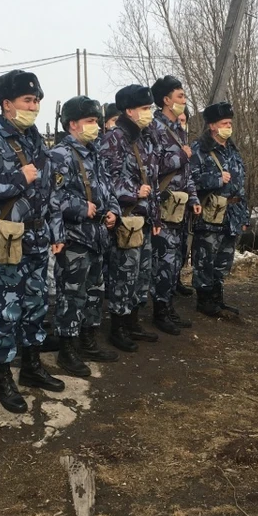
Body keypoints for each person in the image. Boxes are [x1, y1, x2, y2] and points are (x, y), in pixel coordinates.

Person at [0, 69, 65, 414]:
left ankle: (33, 365)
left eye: (36, 100)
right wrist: (16, 178)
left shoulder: (35, 137)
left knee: (36, 303)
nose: (33, 106)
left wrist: (56, 231)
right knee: (6, 308)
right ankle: (3, 376)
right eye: (27, 100)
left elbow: (49, 190)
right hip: (8, 236)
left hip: (37, 235)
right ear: (7, 104)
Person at [50, 96, 121, 374]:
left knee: (93, 292)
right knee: (72, 295)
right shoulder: (60, 155)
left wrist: (113, 211)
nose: (96, 126)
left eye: (97, 121)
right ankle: (67, 348)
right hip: (75, 239)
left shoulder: (95, 154)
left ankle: (88, 340)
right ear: (72, 124)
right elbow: (52, 197)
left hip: (98, 237)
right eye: (90, 121)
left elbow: (108, 189)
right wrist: (81, 207)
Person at [99, 84, 162, 351]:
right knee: (123, 276)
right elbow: (106, 178)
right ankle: (118, 327)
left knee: (141, 275)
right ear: (129, 110)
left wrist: (155, 216)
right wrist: (132, 192)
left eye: (150, 108)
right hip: (126, 218)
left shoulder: (144, 137)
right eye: (144, 109)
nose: (149, 113)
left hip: (144, 218)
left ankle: (133, 322)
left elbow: (153, 178)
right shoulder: (114, 138)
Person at [148, 76, 201, 335]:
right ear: (166, 100)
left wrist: (193, 197)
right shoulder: (154, 127)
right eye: (180, 96)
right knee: (164, 260)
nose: (184, 100)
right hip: (162, 204)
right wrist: (182, 155)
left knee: (176, 258)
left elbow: (186, 171)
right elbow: (152, 167)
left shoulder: (179, 129)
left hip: (179, 207)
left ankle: (168, 306)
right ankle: (160, 310)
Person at [190, 101, 249, 316]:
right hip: (209, 215)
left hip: (232, 213)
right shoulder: (200, 149)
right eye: (224, 123)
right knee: (205, 258)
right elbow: (190, 180)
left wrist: (244, 216)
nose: (228, 126)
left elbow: (240, 185)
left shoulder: (232, 149)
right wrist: (215, 179)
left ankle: (217, 298)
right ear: (212, 126)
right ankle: (204, 300)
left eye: (230, 123)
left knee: (223, 260)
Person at [175, 106, 194, 297]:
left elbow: (189, 177)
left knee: (182, 247)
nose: (181, 125)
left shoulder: (188, 144)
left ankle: (176, 280)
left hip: (184, 206)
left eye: (184, 121)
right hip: (169, 205)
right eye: (178, 121)